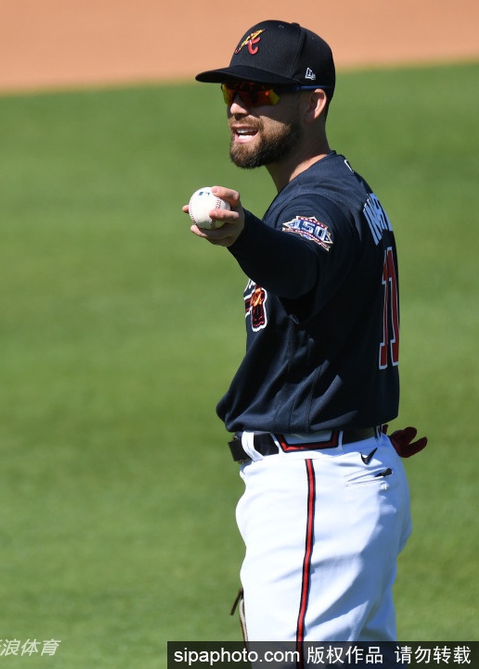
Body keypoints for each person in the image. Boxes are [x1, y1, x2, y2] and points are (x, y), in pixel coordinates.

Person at [184, 21, 426, 644]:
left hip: (318, 491)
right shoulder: (343, 190)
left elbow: (299, 265)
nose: (239, 104)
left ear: (314, 103)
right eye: (234, 90)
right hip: (344, 475)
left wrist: (243, 235)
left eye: (262, 93)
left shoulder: (315, 204)